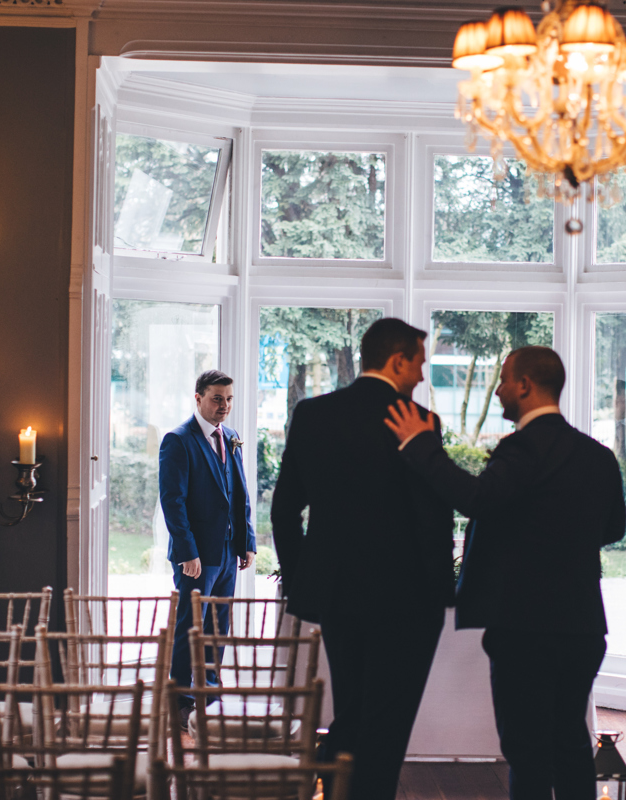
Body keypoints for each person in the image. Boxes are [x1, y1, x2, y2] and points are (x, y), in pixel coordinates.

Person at [385, 345, 626, 800]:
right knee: (572, 743)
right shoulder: (598, 456)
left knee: (528, 751)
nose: (497, 390)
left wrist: (420, 447)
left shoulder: (520, 450)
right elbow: (613, 528)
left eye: (502, 380)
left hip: (524, 628)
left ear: (525, 386)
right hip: (581, 625)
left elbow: (475, 498)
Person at [271, 317, 454, 800]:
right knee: (387, 725)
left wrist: (302, 583)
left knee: (352, 711)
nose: (421, 374)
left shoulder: (312, 414)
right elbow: (434, 523)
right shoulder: (418, 422)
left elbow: (285, 508)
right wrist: (441, 599)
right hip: (406, 604)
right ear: (397, 361)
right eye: (418, 362)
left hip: (337, 597)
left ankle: (335, 791)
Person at [158, 369, 256, 724]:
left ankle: (209, 696)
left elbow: (240, 493)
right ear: (198, 397)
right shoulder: (178, 440)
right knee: (191, 626)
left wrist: (247, 542)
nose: (224, 406)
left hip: (229, 552)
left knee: (218, 626)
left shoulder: (230, 437)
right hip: (197, 556)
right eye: (217, 398)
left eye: (229, 399)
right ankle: (180, 701)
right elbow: (173, 501)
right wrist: (187, 553)